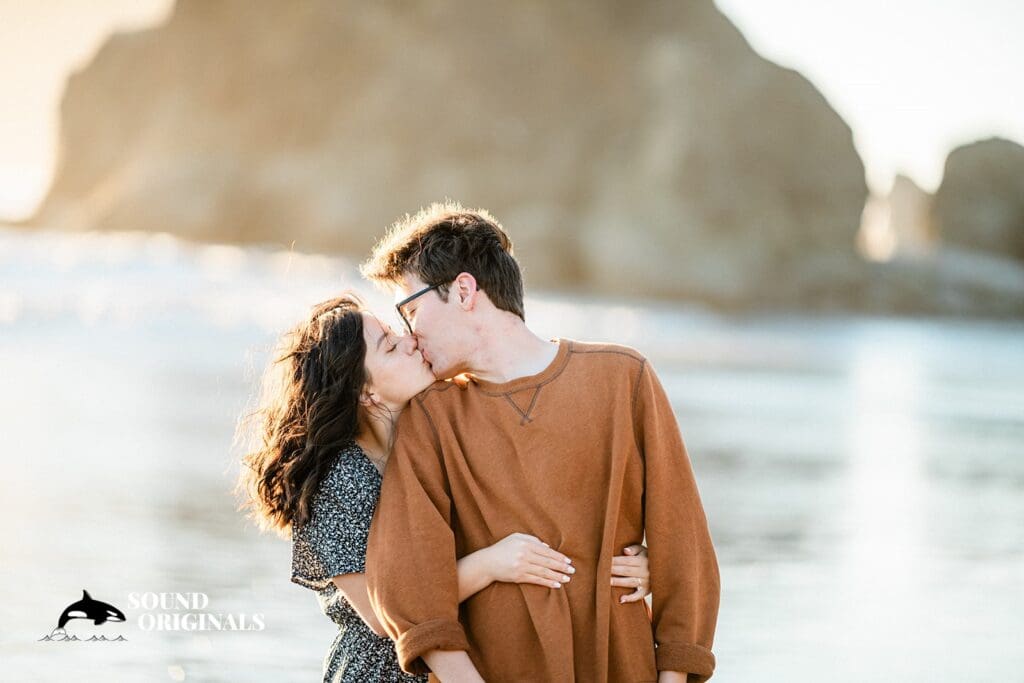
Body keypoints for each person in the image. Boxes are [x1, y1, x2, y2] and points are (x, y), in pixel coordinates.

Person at [361, 202, 721, 682]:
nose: (410, 330)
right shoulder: (431, 416)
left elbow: (686, 552)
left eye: (411, 307)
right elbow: (407, 593)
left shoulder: (623, 377)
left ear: (464, 290)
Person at [236, 294, 653, 682]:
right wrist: (491, 564)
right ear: (365, 392)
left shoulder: (446, 437)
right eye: (389, 345)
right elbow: (381, 615)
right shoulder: (339, 478)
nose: (410, 341)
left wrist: (627, 560)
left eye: (399, 332)